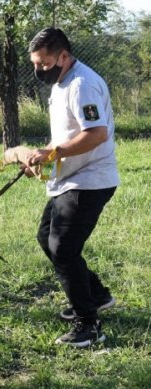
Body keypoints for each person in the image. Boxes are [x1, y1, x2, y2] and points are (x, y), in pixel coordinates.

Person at [24, 28, 120, 347]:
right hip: (70, 177)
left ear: (63, 56)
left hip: (91, 179)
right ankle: (96, 295)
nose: (39, 69)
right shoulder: (61, 82)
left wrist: (54, 153)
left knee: (63, 248)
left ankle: (88, 325)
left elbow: (96, 134)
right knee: (46, 238)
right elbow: (67, 132)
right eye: (35, 63)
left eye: (44, 63)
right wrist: (41, 157)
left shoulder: (82, 83)